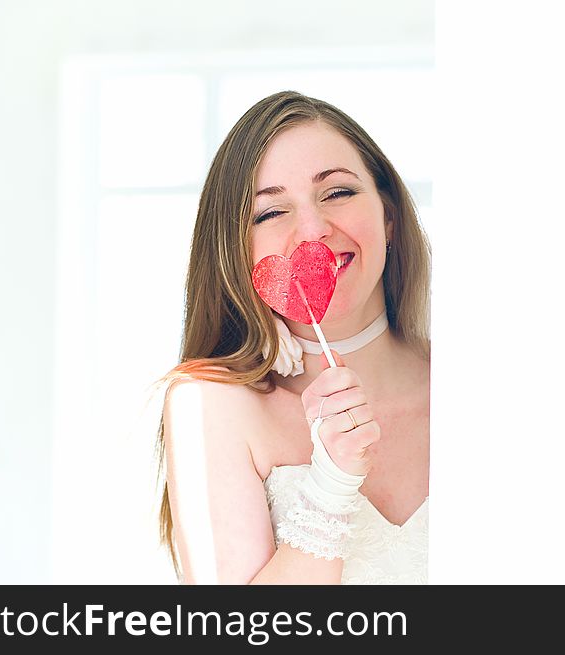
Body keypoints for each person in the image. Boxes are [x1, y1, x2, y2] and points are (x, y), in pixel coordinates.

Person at [153, 90, 431, 584]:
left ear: (388, 217)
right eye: (270, 212)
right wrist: (331, 483)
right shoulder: (207, 404)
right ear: (236, 251)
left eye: (338, 193)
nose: (313, 231)